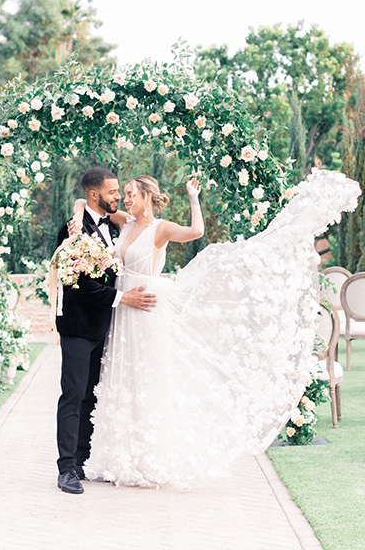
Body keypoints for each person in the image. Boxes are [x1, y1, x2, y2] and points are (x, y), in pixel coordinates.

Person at [70, 169, 360, 490]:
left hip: (149, 306)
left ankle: (148, 457)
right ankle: (116, 457)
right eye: (123, 194)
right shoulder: (123, 221)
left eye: (130, 194)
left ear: (147, 197)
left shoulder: (160, 228)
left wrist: (194, 198)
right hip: (124, 307)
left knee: (148, 377)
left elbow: (196, 231)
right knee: (121, 378)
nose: (124, 199)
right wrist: (77, 213)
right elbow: (85, 200)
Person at [55, 166, 156, 495]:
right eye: (113, 192)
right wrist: (122, 297)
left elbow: (137, 218)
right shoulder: (71, 232)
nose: (118, 197)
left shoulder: (117, 226)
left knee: (90, 397)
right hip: (77, 326)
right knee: (72, 395)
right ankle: (66, 468)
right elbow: (79, 285)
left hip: (106, 328)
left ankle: (83, 461)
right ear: (95, 194)